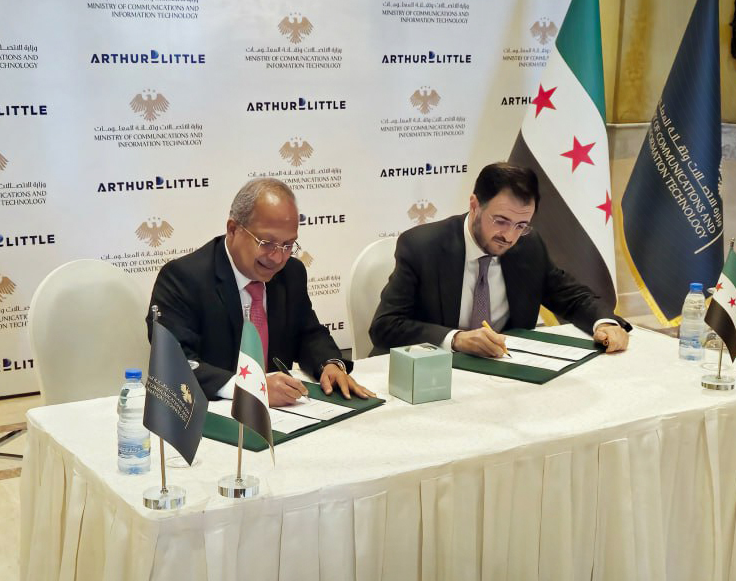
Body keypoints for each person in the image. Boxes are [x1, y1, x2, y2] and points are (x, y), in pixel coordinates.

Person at [148, 178, 372, 406]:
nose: (278, 257)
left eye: (288, 245)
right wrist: (251, 387)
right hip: (215, 410)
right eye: (266, 242)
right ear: (233, 229)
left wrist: (330, 364)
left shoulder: (291, 272)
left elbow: (308, 334)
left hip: (283, 412)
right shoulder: (183, 278)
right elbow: (175, 362)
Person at [369, 162, 631, 357]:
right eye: (501, 221)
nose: (509, 236)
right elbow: (386, 326)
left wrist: (605, 323)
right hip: (433, 371)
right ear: (475, 206)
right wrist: (456, 339)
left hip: (503, 373)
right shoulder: (423, 247)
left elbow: (573, 298)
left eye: (521, 225)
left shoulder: (528, 246)